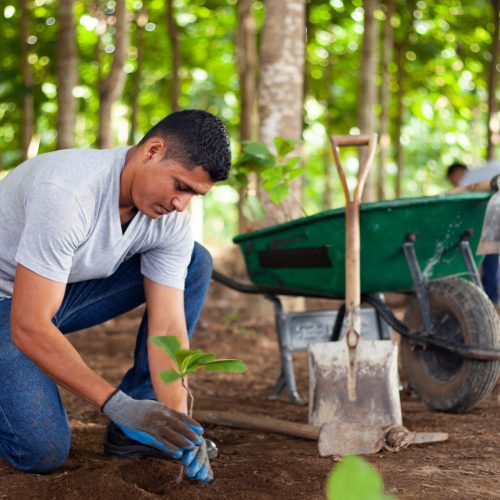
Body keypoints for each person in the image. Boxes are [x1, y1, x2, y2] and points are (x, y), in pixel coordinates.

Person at [0, 109, 232, 482]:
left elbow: (168, 325)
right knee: (41, 451)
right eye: (181, 186)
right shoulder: (69, 194)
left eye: (194, 195)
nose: (181, 204)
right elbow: (27, 325)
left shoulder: (170, 221)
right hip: (9, 305)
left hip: (59, 294)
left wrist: (178, 423)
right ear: (152, 151)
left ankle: (142, 424)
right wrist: (116, 404)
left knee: (194, 260)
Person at [446, 161, 500, 306]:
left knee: (490, 254)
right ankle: (492, 298)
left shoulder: (469, 180)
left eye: (452, 180)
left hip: (495, 215)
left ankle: (492, 299)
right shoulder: (481, 173)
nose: (453, 184)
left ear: (456, 173)